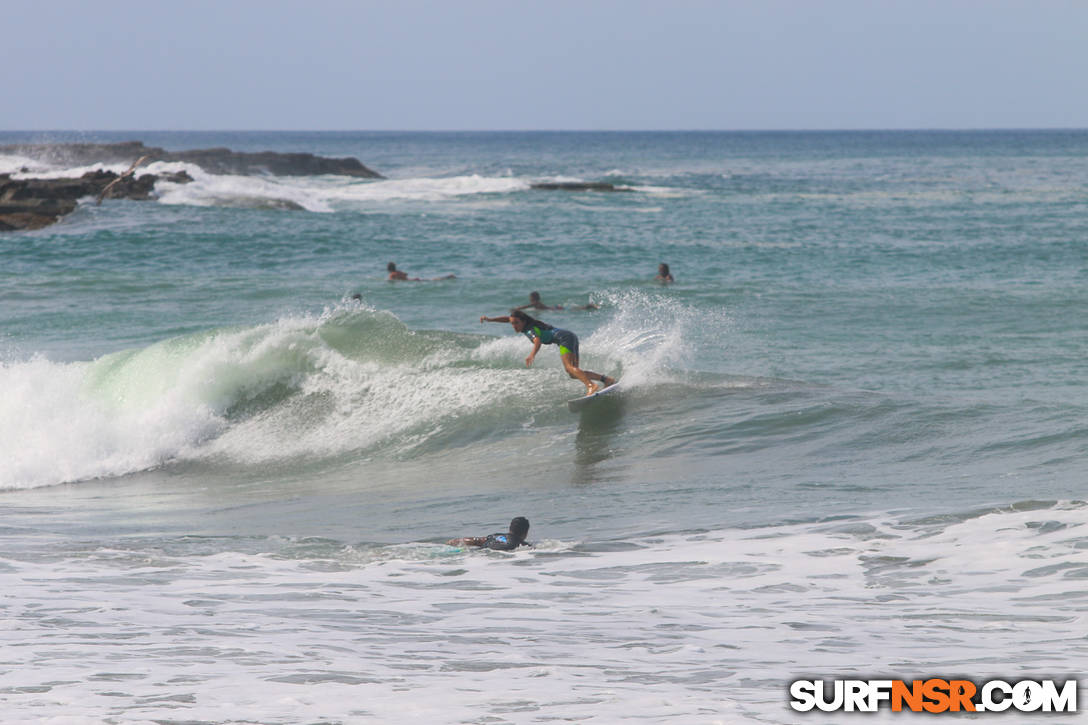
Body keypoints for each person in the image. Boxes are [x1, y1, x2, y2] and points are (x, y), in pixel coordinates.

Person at [479, 308, 616, 396]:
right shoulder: (526, 324)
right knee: (573, 372)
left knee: (570, 368)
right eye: (512, 323)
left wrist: (532, 354)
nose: (513, 326)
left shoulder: (530, 329)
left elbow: (537, 340)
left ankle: (591, 386)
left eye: (516, 323)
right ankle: (607, 380)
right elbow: (507, 318)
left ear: (523, 321)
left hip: (563, 338)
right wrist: (490, 319)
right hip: (569, 336)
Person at [448, 516, 532, 551]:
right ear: (526, 533)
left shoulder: (495, 536)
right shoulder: (524, 546)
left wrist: (454, 541)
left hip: (481, 553)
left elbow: (475, 540)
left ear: (510, 528)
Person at [387, 261, 455, 281]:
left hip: (412, 281)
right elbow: (406, 274)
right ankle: (448, 277)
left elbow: (390, 280)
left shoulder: (392, 274)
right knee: (432, 280)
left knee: (433, 280)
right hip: (414, 279)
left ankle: (449, 277)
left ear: (389, 269)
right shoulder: (398, 272)